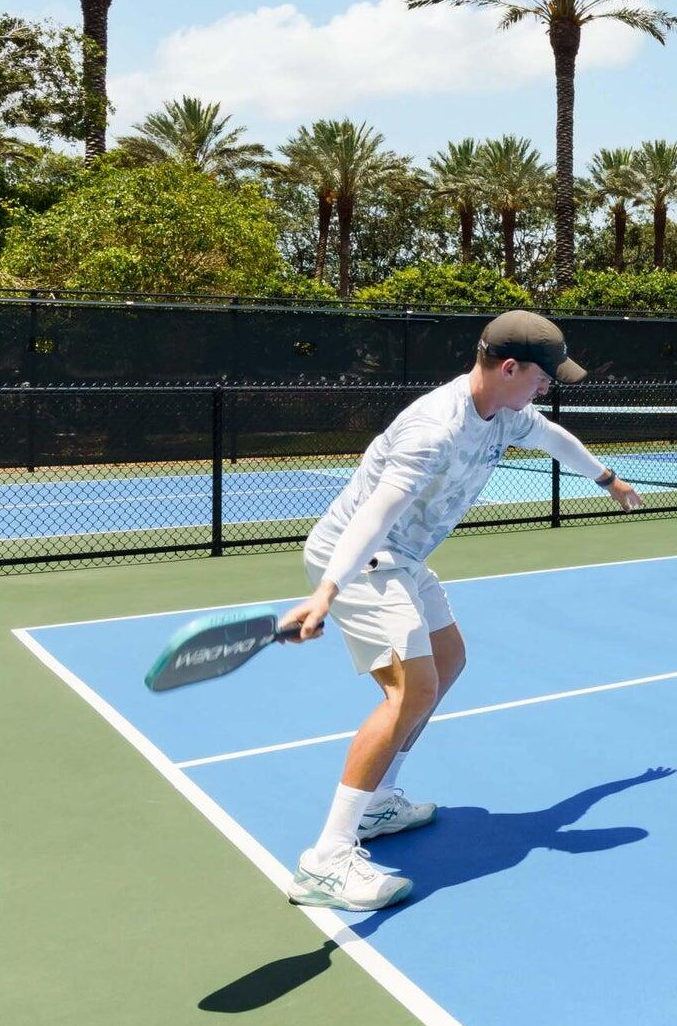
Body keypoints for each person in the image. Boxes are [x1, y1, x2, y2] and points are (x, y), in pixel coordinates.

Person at [275, 310, 641, 911]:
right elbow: (375, 515)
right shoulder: (434, 430)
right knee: (409, 692)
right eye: (543, 376)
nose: (547, 386)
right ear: (508, 367)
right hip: (364, 558)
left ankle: (376, 804)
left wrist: (607, 478)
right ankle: (326, 859)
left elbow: (553, 438)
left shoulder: (506, 413)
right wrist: (328, 591)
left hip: (405, 558)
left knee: (448, 660)